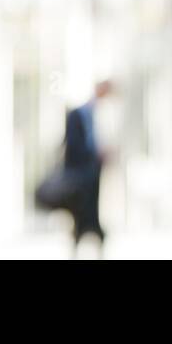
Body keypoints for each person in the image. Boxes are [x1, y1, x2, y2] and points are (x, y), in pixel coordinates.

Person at [64, 79, 113, 255]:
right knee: (81, 217)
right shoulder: (78, 114)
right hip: (80, 177)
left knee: (91, 217)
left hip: (92, 176)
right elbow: (73, 147)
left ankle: (95, 249)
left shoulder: (96, 114)